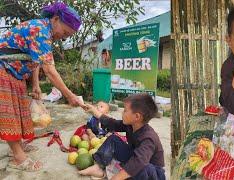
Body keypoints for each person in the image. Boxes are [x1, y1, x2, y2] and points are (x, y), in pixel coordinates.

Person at [0, 2, 84, 171]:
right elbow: (50, 70)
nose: (64, 37)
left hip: (15, 73)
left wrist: (36, 85)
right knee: (9, 113)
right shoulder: (40, 30)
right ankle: (18, 157)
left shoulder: (45, 32)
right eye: (65, 32)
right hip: (3, 68)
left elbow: (36, 60)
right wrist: (69, 95)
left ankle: (17, 147)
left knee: (19, 111)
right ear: (55, 19)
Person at [79, 93, 165, 180]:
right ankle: (98, 167)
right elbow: (112, 123)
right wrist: (94, 110)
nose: (122, 112)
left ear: (137, 117)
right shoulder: (130, 125)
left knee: (144, 167)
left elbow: (138, 161)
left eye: (125, 110)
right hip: (137, 161)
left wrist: (117, 177)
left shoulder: (148, 137)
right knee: (113, 139)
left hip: (153, 174)